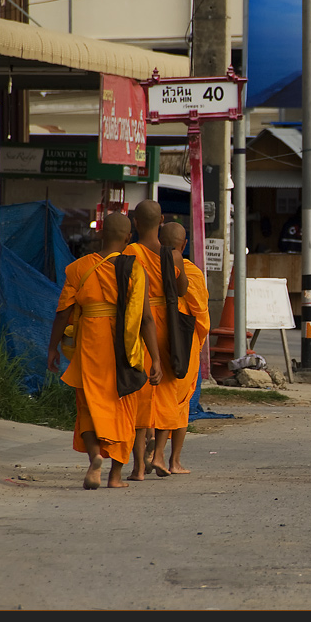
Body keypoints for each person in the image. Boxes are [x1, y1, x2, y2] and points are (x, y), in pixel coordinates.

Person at [47, 212, 163, 490]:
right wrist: (156, 358)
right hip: (126, 347)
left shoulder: (79, 268)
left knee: (88, 405)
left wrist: (52, 347)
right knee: (124, 407)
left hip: (90, 343)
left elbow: (63, 312)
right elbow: (146, 318)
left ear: (100, 234)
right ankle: (114, 476)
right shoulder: (135, 269)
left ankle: (95, 457)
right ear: (127, 238)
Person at [123, 200, 188, 480]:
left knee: (140, 395)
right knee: (165, 392)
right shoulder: (171, 255)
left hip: (139, 324)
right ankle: (160, 455)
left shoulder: (130, 252)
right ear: (161, 220)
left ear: (135, 223)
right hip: (166, 328)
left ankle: (138, 467)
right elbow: (182, 289)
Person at [150, 222, 210, 475]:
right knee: (180, 402)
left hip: (149, 338)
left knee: (150, 401)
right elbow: (201, 312)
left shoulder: (144, 265)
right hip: (182, 343)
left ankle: (144, 460)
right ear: (184, 245)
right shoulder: (190, 272)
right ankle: (170, 460)